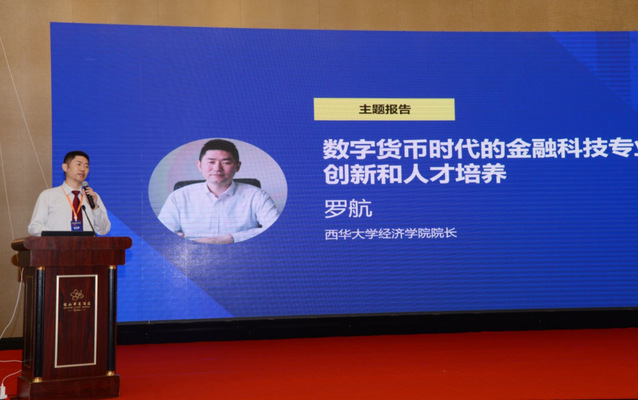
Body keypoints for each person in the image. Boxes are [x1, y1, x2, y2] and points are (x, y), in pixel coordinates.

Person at [158, 139, 280, 244]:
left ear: (237, 166)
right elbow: (160, 234)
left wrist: (228, 239)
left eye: (226, 162)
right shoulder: (179, 196)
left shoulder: (257, 196)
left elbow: (277, 230)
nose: (217, 168)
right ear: (199, 165)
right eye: (211, 162)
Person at [28, 150, 111, 236]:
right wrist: (58, 237)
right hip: (58, 244)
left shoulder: (92, 197)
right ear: (65, 167)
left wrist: (95, 207)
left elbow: (104, 230)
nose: (83, 169)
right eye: (78, 164)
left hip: (87, 245)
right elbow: (34, 227)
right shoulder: (48, 196)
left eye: (86, 166)